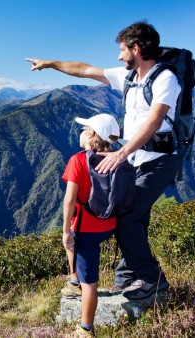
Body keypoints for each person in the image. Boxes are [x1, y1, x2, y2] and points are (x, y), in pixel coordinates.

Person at [26, 20, 177, 302]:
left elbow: (155, 120)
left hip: (159, 160)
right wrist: (50, 64)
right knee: (132, 215)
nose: (119, 57)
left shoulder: (165, 79)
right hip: (135, 160)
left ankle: (152, 279)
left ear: (136, 48)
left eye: (122, 50)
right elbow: (84, 70)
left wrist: (121, 152)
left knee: (127, 214)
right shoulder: (129, 77)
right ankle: (128, 277)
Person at [61, 114, 120, 337]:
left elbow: (69, 200)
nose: (82, 131)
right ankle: (74, 279)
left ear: (92, 134)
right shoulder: (116, 157)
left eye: (85, 128)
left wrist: (66, 230)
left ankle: (85, 329)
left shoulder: (78, 160)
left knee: (90, 283)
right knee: (73, 243)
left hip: (85, 228)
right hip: (110, 223)